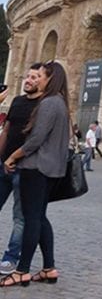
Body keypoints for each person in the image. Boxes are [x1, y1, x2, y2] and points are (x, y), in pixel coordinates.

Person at [1, 61, 71, 287]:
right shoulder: (61, 103)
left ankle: (21, 270)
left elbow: (35, 140)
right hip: (51, 169)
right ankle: (49, 267)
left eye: (40, 75)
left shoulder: (49, 103)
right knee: (39, 218)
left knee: (30, 218)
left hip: (36, 167)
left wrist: (12, 157)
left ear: (50, 79)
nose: (37, 79)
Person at [0, 66, 43, 275]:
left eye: (34, 77)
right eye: (27, 76)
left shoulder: (44, 105)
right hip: (3, 165)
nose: (29, 80)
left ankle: (10, 257)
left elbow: (36, 140)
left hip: (24, 168)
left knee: (20, 217)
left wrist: (14, 158)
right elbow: (6, 130)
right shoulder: (17, 101)